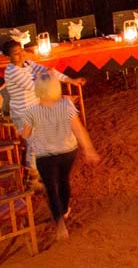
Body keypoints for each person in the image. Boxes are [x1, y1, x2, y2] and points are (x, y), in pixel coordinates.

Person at [19, 72, 99, 240]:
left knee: (51, 188)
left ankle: (60, 224)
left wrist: (21, 130)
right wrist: (89, 149)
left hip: (45, 155)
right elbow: (78, 129)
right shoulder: (67, 105)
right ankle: (64, 210)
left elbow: (25, 134)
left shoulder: (31, 111)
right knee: (63, 180)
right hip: (67, 151)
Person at [1, 40, 86, 185]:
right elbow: (37, 86)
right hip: (23, 113)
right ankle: (32, 177)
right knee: (35, 142)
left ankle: (38, 170)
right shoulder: (12, 72)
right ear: (8, 57)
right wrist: (53, 86)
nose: (20, 54)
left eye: (20, 50)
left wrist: (70, 80)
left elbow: (49, 72)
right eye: (15, 54)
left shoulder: (27, 63)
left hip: (35, 107)